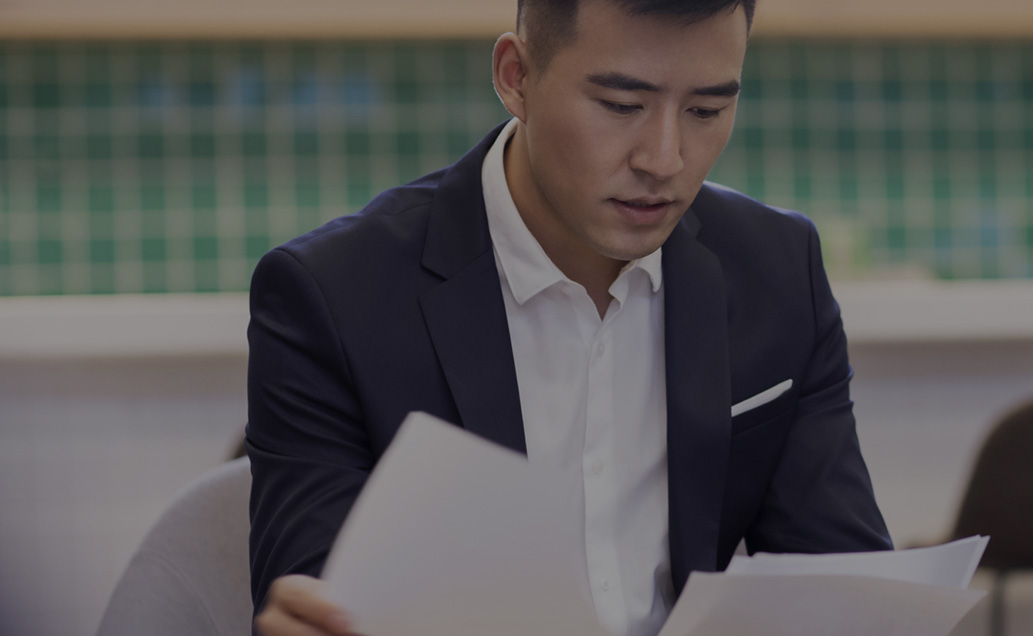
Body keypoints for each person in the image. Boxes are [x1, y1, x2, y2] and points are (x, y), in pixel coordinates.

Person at [245, 1, 893, 634]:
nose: (663, 160)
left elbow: (850, 589)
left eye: (705, 110)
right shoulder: (333, 298)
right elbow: (317, 601)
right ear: (516, 77)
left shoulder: (777, 271)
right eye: (621, 105)